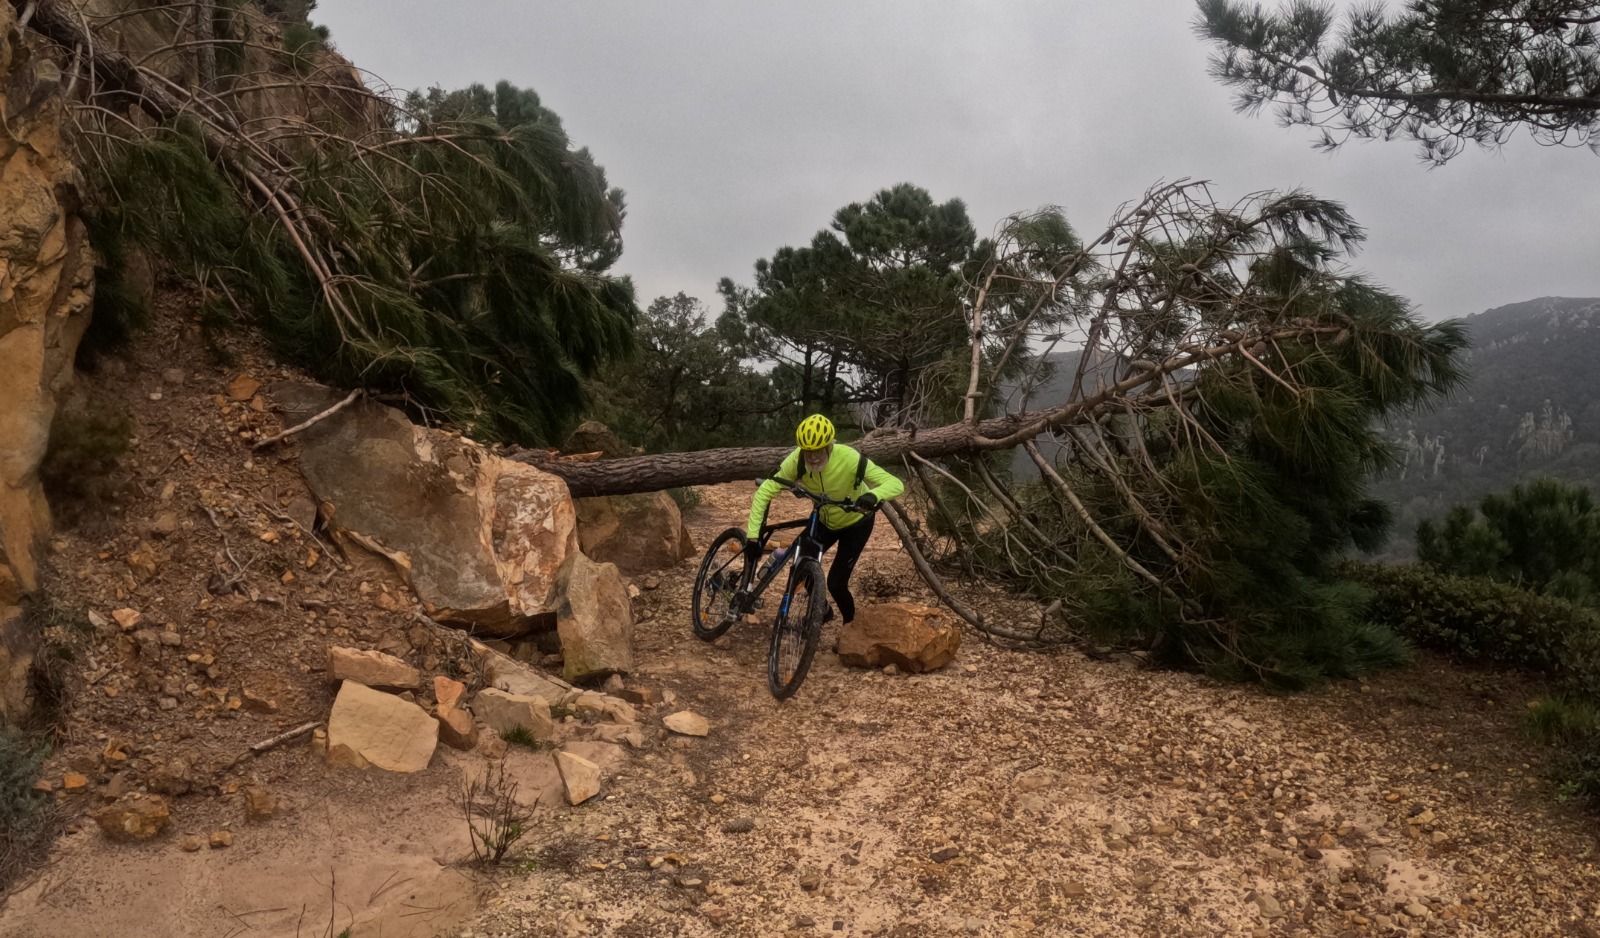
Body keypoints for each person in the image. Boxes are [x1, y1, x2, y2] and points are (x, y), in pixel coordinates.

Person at [745, 414, 904, 624]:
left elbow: (895, 484)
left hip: (857, 523)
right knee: (800, 568)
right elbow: (765, 490)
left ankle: (850, 628)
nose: (812, 457)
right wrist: (753, 536)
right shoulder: (797, 460)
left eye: (818, 449)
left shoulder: (850, 459)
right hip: (824, 520)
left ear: (830, 445)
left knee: (836, 583)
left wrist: (873, 495)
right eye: (808, 451)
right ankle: (824, 611)